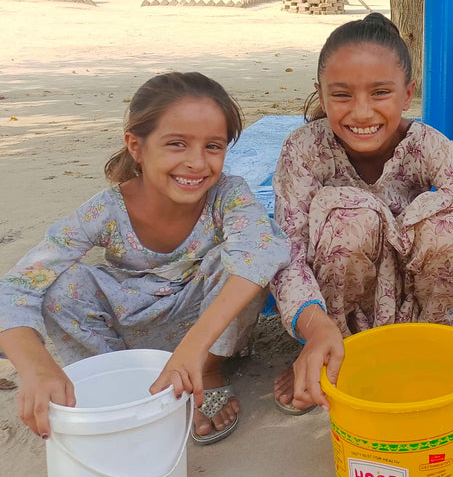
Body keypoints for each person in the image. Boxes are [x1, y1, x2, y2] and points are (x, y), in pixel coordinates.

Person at [0, 72, 290, 443]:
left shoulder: (228, 195)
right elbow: (16, 288)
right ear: (136, 146)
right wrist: (37, 369)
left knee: (240, 261)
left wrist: (194, 350)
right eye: (177, 144)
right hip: (133, 328)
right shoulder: (104, 212)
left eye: (213, 147)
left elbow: (264, 250)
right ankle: (125, 380)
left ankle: (207, 372)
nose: (197, 163)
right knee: (64, 285)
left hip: (206, 331)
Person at [270, 13, 453, 413]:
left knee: (447, 217)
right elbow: (287, 253)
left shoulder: (431, 148)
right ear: (321, 95)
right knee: (349, 216)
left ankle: (432, 341)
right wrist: (315, 328)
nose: (362, 112)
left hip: (415, 303)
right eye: (342, 95)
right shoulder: (304, 150)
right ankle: (333, 351)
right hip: (341, 313)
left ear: (408, 95)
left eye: (380, 93)